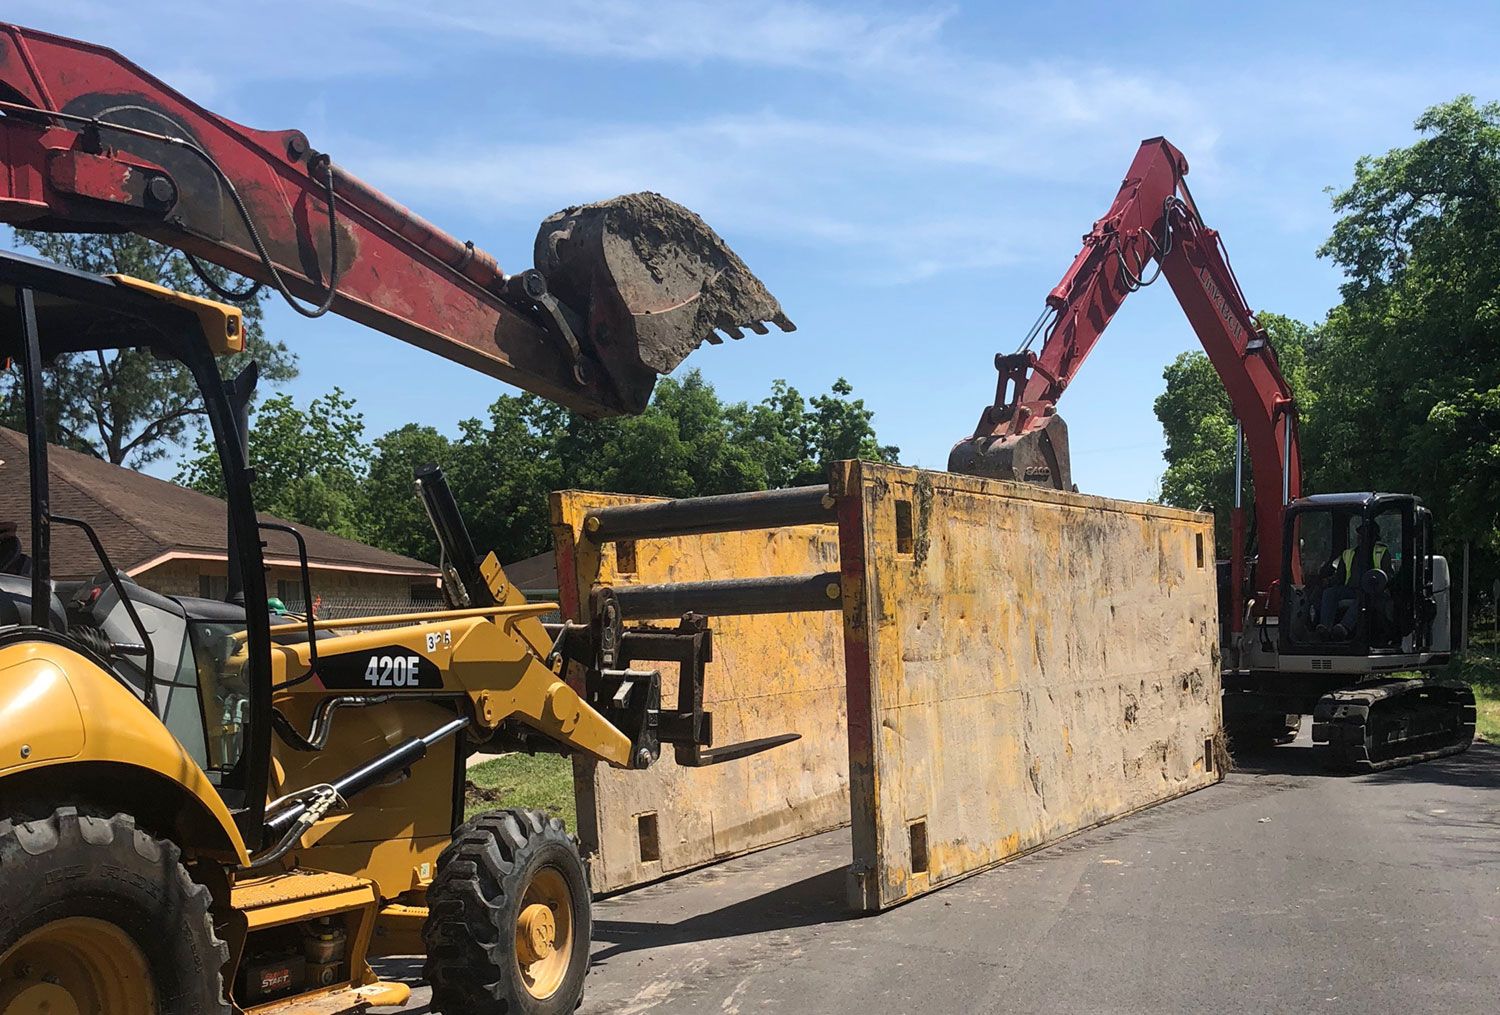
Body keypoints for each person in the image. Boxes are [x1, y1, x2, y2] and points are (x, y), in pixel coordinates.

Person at [1317, 518, 1391, 640]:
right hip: (1351, 589)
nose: (1360, 537)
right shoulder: (1348, 554)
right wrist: (1326, 582)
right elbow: (1339, 577)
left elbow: (1387, 575)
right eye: (1360, 534)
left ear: (1373, 537)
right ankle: (1325, 628)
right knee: (1329, 593)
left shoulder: (1382, 552)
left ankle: (1344, 628)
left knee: (1363, 598)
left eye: (1365, 534)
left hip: (1373, 591)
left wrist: (1377, 584)